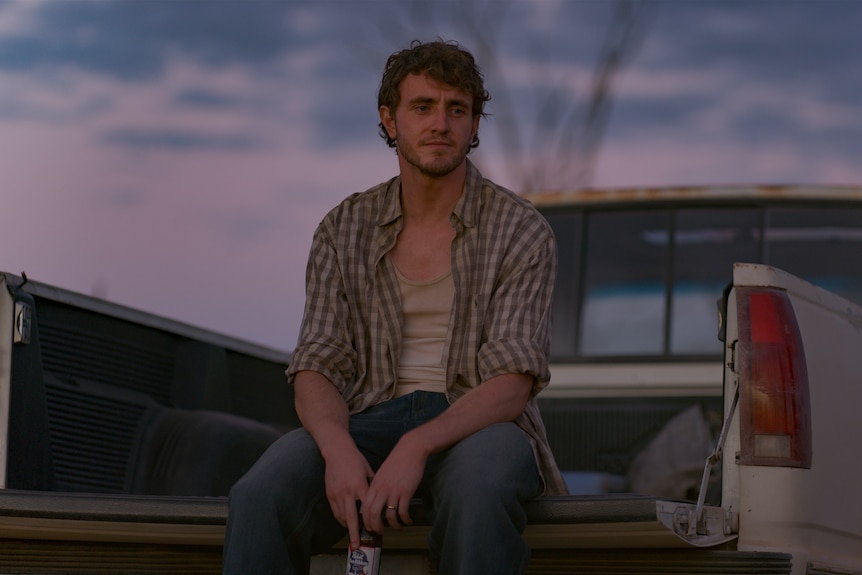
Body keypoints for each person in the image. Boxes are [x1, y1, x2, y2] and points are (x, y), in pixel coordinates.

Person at [222, 39, 567, 575]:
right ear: (389, 120)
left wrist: (417, 445)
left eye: (458, 110)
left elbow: (512, 381)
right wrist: (337, 450)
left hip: (479, 425)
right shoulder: (344, 228)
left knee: (478, 493)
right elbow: (317, 363)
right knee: (260, 493)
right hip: (365, 420)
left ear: (475, 126)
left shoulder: (520, 230)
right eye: (422, 107)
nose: (441, 124)